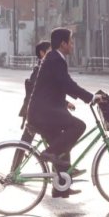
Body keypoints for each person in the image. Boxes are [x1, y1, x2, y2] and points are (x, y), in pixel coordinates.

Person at [27, 28, 102, 198]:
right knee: (78, 126)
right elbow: (67, 84)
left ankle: (61, 187)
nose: (73, 45)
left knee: (62, 147)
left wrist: (67, 103)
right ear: (63, 43)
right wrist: (90, 97)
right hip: (44, 113)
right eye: (71, 42)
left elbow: (56, 87)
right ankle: (49, 153)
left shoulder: (53, 58)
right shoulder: (56, 59)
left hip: (45, 110)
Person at [13, 41, 80, 174]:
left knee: (57, 145)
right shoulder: (39, 70)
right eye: (49, 50)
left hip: (42, 111)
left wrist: (65, 103)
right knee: (26, 145)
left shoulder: (47, 68)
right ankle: (13, 172)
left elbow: (52, 91)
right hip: (36, 113)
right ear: (42, 53)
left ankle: (63, 177)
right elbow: (40, 93)